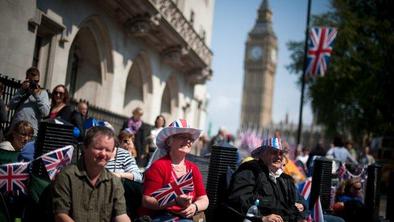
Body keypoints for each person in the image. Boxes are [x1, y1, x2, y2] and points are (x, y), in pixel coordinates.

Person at [52, 126, 131, 222]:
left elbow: (121, 215)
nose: (103, 154)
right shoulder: (67, 176)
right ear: (85, 147)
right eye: (98, 148)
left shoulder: (114, 182)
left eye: (108, 150)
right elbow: (60, 215)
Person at [226, 137, 308, 222]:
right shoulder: (249, 170)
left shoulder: (284, 178)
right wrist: (262, 218)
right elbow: (239, 201)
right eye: (274, 152)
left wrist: (300, 214)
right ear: (262, 154)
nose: (279, 156)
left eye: (281, 153)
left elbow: (300, 201)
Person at [142, 119, 209, 221]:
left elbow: (204, 199)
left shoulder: (193, 168)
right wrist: (174, 202)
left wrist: (195, 207)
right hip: (162, 217)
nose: (188, 141)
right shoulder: (159, 166)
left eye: (190, 138)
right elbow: (146, 200)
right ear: (169, 141)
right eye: (182, 137)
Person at [8, 67, 50, 136]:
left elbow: (45, 112)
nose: (34, 83)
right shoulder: (22, 91)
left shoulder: (43, 93)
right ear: (26, 79)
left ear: (38, 80)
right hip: (15, 131)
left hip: (31, 134)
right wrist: (21, 91)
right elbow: (10, 105)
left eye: (36, 81)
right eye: (31, 81)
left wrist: (36, 95)